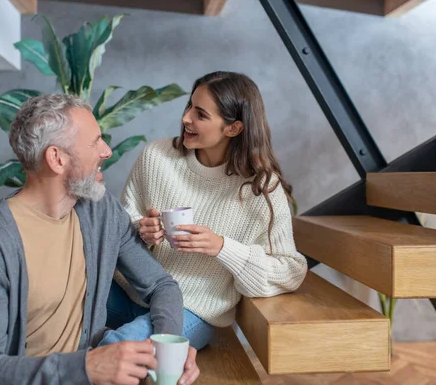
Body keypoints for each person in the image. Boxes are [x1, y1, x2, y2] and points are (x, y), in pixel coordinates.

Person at [0, 94, 199, 384]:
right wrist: (85, 367)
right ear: (57, 159)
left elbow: (161, 285)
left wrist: (169, 345)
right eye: (95, 142)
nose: (107, 151)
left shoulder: (102, 212)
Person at [107, 71, 308, 350]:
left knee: (117, 347)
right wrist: (141, 230)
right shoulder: (157, 157)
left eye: (200, 114)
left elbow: (291, 270)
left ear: (233, 128)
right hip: (130, 293)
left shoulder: (261, 189)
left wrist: (222, 248)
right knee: (55, 295)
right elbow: (118, 227)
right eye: (189, 106)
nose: (186, 118)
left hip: (193, 310)